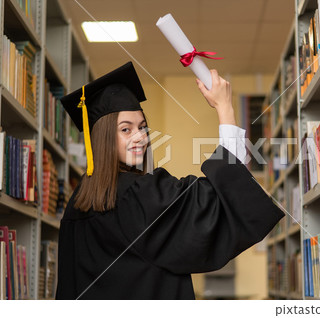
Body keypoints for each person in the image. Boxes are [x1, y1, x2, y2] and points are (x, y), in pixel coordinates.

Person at [55, 61, 285, 300]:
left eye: (143, 127)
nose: (140, 138)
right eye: (126, 129)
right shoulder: (136, 194)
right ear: (102, 138)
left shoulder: (77, 204)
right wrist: (225, 108)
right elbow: (219, 201)